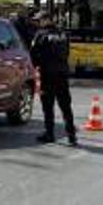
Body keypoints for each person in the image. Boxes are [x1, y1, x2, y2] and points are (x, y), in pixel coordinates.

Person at [30, 11, 77, 146]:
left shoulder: (40, 35)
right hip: (62, 74)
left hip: (48, 74)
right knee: (65, 105)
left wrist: (36, 67)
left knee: (48, 105)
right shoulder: (63, 34)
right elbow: (67, 52)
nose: (38, 23)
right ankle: (71, 135)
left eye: (40, 21)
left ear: (47, 20)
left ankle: (49, 134)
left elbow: (33, 54)